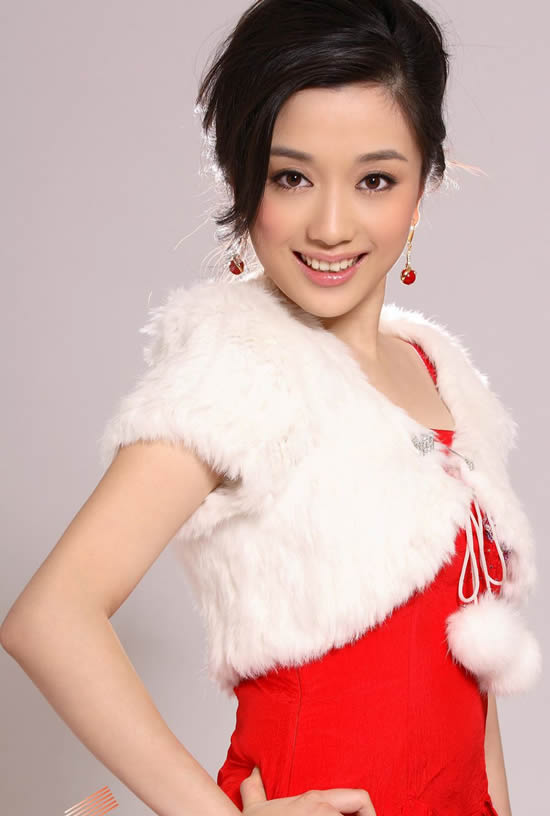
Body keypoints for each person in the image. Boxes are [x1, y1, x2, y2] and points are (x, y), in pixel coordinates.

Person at [0, 2, 541, 816]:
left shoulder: (442, 375)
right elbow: (50, 618)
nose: (331, 225)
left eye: (375, 180)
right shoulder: (237, 370)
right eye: (292, 177)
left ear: (422, 188)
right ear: (243, 177)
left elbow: (469, 686)